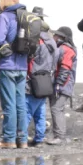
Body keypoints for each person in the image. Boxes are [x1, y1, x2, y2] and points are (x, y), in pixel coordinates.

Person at [0, 0, 34, 148]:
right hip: (22, 66)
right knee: (21, 104)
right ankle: (22, 139)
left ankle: (8, 139)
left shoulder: (5, 17)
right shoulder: (26, 17)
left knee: (9, 104)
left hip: (8, 66)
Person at [26, 10, 56, 147]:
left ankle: (20, 137)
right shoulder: (52, 41)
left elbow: (29, 58)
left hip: (34, 79)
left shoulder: (36, 41)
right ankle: (39, 137)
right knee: (40, 111)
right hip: (47, 78)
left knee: (28, 109)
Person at [51, 26, 77, 142]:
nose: (54, 37)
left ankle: (59, 137)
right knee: (58, 108)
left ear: (63, 37)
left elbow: (65, 68)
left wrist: (58, 84)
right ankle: (59, 135)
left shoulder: (66, 49)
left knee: (56, 108)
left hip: (64, 84)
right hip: (64, 84)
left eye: (56, 35)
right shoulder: (64, 48)